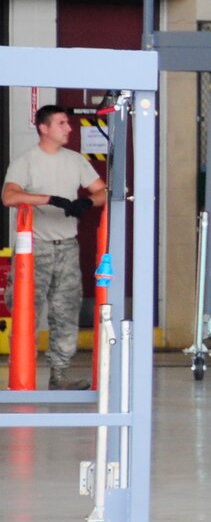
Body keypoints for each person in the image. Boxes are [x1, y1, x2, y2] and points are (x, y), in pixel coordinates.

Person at [3, 105, 107, 391]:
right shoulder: (25, 161)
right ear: (44, 128)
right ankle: (22, 375)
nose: (69, 128)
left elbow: (103, 191)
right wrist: (50, 199)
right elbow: (9, 196)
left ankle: (59, 376)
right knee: (26, 310)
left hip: (67, 248)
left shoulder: (76, 161)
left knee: (66, 311)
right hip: (35, 250)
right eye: (62, 123)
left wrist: (87, 202)